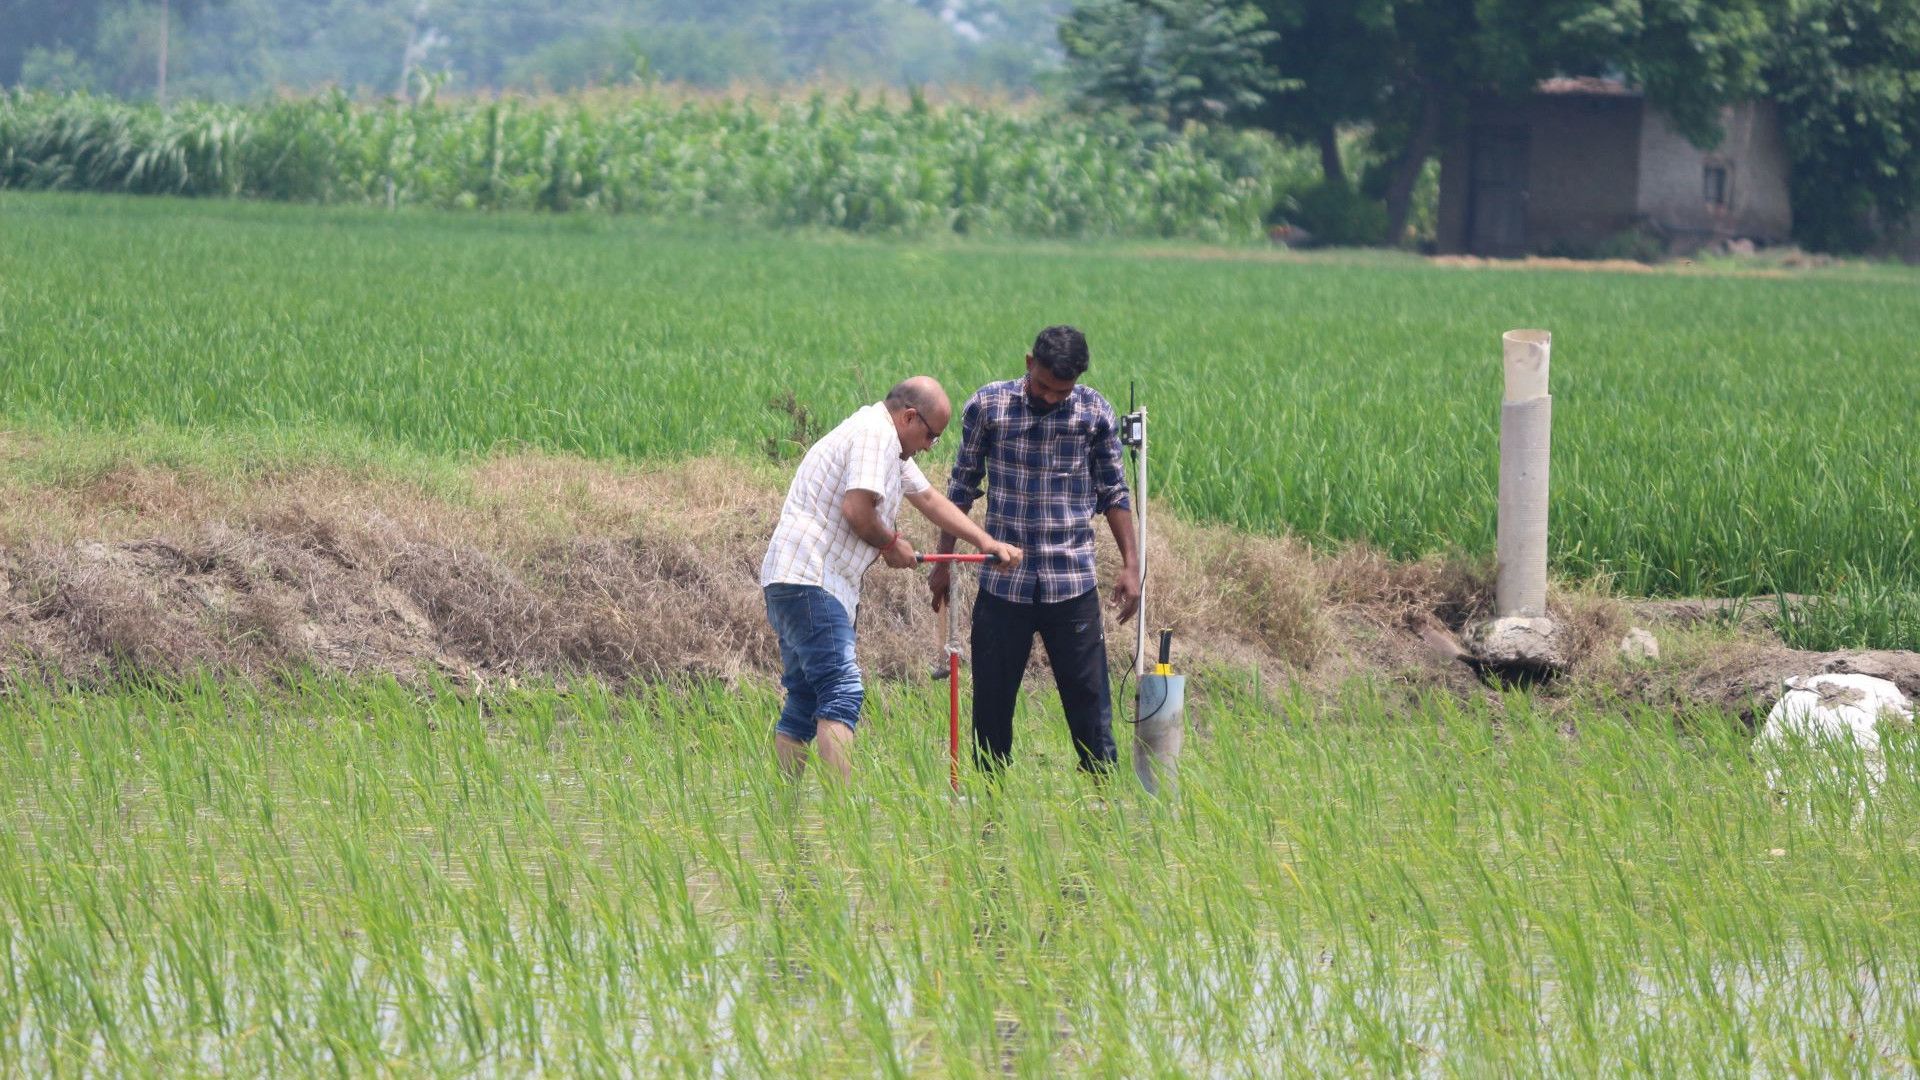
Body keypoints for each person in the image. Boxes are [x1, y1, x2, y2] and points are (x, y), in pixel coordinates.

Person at [760, 376, 1022, 783]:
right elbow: (857, 510)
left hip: (791, 578)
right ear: (909, 417)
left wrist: (988, 542)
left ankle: (783, 809)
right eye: (931, 435)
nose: (930, 446)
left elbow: (931, 500)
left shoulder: (887, 443)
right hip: (813, 577)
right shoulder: (876, 436)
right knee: (842, 690)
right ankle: (844, 820)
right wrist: (891, 544)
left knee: (805, 697)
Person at [930, 326, 1139, 776]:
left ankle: (1102, 805)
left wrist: (1131, 565)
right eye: (1042, 386)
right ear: (1029, 363)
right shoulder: (988, 407)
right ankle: (990, 806)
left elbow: (1114, 492)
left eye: (1060, 392)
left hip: (1072, 583)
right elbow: (961, 487)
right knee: (991, 706)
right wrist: (944, 562)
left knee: (1090, 704)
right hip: (1004, 586)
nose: (1048, 398)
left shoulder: (1094, 413)